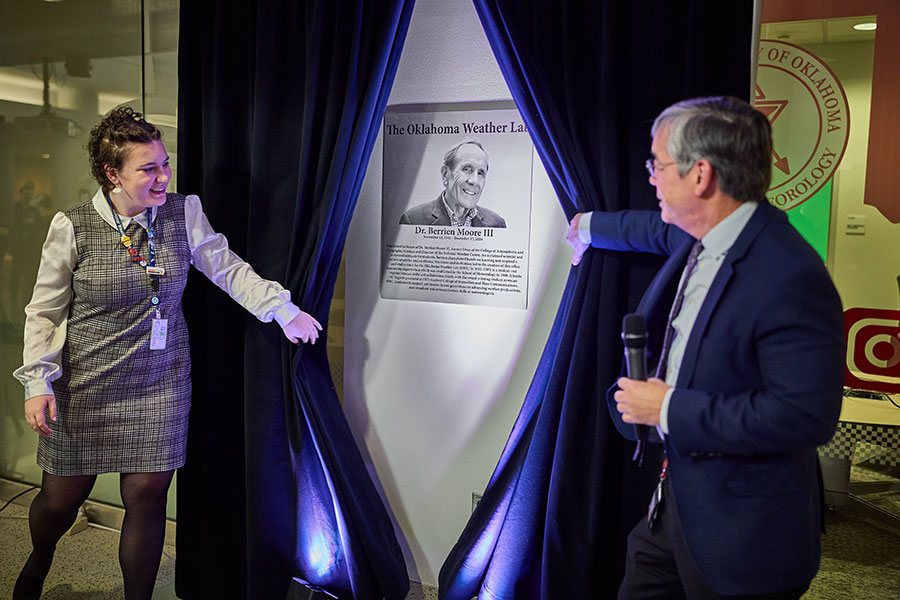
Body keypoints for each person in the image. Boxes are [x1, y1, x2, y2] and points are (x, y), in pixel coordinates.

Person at [11, 106, 323, 600]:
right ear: (112, 174)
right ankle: (39, 560)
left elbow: (227, 267)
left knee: (147, 496)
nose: (163, 176)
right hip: (85, 384)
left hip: (160, 381)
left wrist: (281, 311)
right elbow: (44, 312)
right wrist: (38, 382)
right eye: (148, 168)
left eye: (164, 163)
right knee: (58, 500)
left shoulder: (183, 212)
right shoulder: (72, 226)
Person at [567, 96, 844, 599]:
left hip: (743, 537)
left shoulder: (789, 275)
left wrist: (668, 408)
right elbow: (650, 228)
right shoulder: (700, 237)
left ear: (700, 176)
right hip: (671, 512)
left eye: (658, 164)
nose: (650, 176)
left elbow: (805, 416)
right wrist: (585, 226)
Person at [399, 139, 506, 228]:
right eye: (467, 169)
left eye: (480, 173)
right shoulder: (413, 220)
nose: (474, 181)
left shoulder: (496, 223)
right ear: (446, 174)